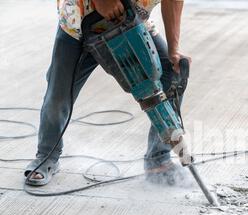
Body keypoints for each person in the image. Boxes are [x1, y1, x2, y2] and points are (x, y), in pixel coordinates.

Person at [24, 0, 190, 186]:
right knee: (59, 94)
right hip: (80, 22)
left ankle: (158, 160)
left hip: (131, 20)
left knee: (173, 71)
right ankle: (46, 157)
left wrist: (174, 50)